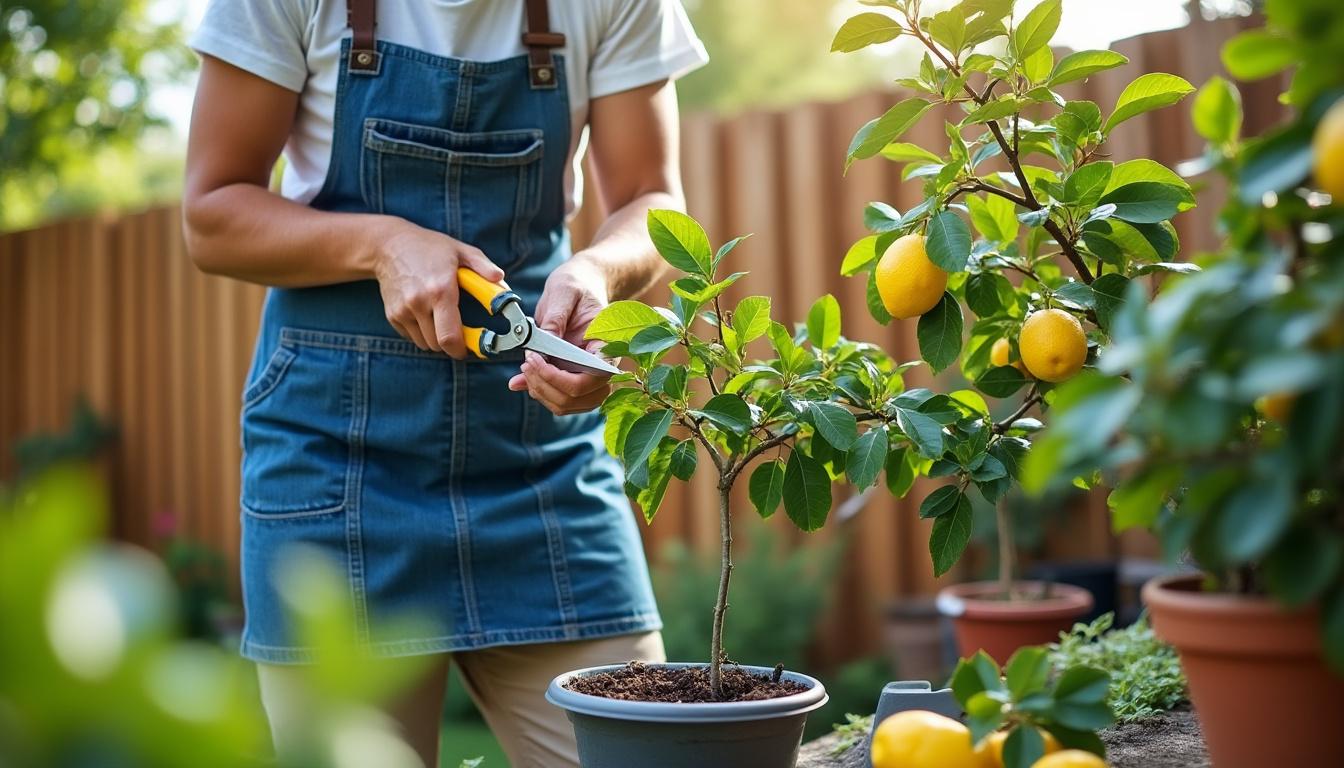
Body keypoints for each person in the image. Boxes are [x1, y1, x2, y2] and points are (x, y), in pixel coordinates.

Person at [182, 1, 706, 765]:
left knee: (637, 751)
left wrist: (599, 272)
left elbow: (653, 198)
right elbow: (211, 214)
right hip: (335, 464)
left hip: (539, 459)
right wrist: (383, 243)